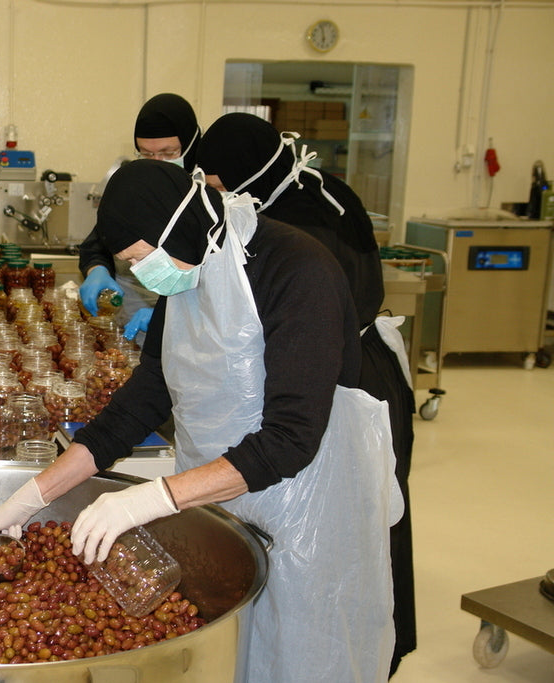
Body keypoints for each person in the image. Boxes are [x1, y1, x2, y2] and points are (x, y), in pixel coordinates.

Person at [0, 160, 401, 682]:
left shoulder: (296, 269)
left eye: (140, 258)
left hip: (307, 504)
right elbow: (145, 398)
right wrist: (34, 494)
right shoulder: (187, 268)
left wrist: (152, 498)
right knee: (236, 652)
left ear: (177, 223)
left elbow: (291, 439)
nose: (139, 274)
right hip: (219, 492)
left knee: (301, 653)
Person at [197, 112, 416, 676]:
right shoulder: (291, 195)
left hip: (349, 386)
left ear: (247, 176)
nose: (216, 199)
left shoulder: (302, 231)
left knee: (345, 538)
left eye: (219, 187)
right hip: (328, 368)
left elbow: (296, 358)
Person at [77, 93, 201, 344]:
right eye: (146, 154)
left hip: (191, 325)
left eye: (168, 153)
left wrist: (169, 315)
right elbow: (99, 241)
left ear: (190, 145)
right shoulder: (137, 188)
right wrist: (97, 270)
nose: (157, 163)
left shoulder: (206, 194)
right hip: (131, 315)